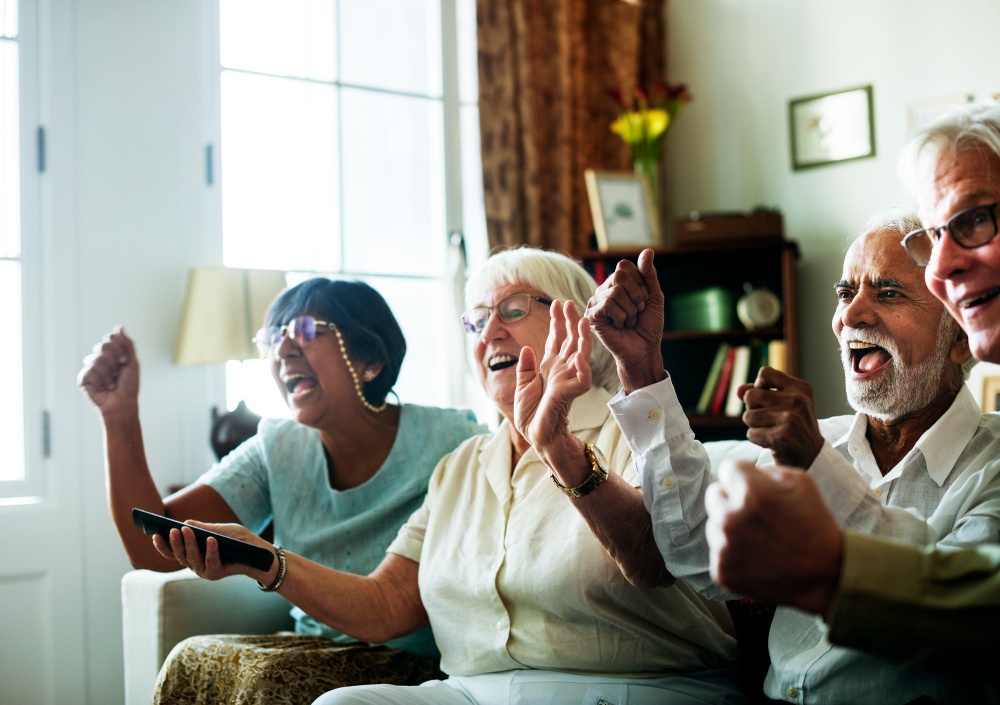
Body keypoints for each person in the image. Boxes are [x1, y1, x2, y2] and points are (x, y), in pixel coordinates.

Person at [148, 248, 744, 705]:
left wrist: (556, 443)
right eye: (477, 321)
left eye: (513, 310)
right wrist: (265, 561)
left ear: (579, 325)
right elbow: (385, 604)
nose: (490, 333)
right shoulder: (459, 468)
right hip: (474, 693)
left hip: (636, 689)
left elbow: (648, 559)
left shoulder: (639, 432)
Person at [543, 212, 1000, 703]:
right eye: (846, 293)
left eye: (888, 293)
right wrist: (641, 367)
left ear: (960, 336)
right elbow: (701, 554)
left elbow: (949, 616)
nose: (851, 315)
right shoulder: (814, 442)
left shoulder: (989, 464)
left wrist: (815, 462)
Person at [77, 278, 486, 703]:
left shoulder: (453, 440)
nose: (284, 350)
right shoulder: (277, 446)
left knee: (269, 677)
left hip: (415, 663)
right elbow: (150, 551)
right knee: (190, 656)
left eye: (307, 331)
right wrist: (119, 416)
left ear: (371, 360)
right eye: (274, 337)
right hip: (316, 649)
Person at [706, 101, 1000, 675]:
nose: (943, 266)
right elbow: (692, 558)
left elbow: (972, 622)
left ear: (957, 341)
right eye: (937, 235)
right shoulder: (812, 442)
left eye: (973, 221)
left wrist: (826, 559)